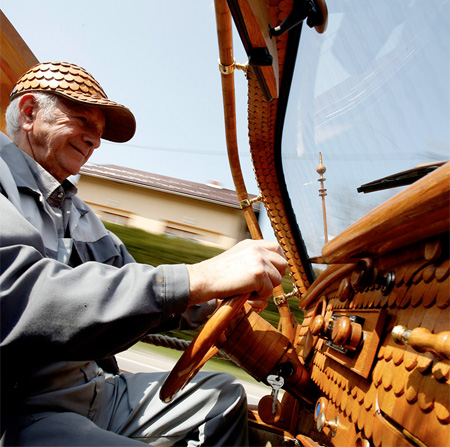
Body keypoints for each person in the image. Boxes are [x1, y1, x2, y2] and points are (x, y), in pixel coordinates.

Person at [0, 62, 288, 446]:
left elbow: (131, 281)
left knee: (223, 393)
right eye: (82, 120)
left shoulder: (72, 207)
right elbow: (27, 295)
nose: (94, 140)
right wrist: (199, 277)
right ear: (30, 112)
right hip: (23, 405)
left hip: (95, 390)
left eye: (99, 133)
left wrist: (216, 298)